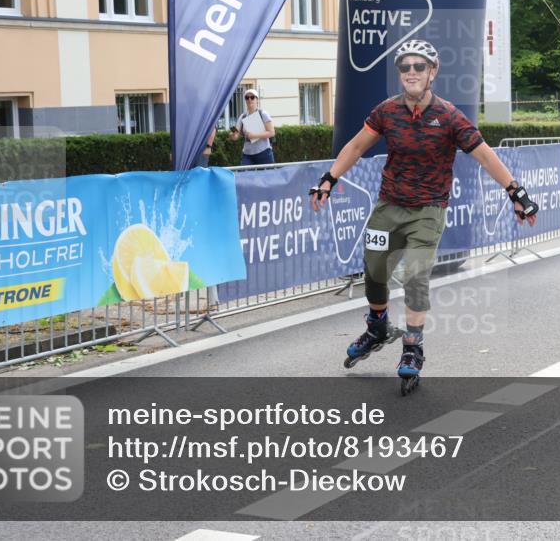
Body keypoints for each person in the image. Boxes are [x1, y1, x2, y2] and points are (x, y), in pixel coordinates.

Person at [308, 40, 539, 392]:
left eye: (419, 66)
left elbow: (485, 156)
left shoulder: (448, 116)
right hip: (389, 206)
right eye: (405, 67)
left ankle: (413, 347)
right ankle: (377, 327)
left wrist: (516, 193)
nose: (411, 73)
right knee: (373, 270)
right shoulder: (387, 111)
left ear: (433, 71)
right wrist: (328, 179)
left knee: (416, 274)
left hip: (429, 210)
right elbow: (355, 146)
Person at [230, 88, 275, 166]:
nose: (249, 99)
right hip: (247, 154)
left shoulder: (263, 114)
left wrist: (255, 135)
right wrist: (233, 135)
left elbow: (272, 132)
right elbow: (236, 135)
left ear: (257, 100)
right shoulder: (242, 116)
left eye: (252, 97)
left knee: (267, 177)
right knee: (245, 176)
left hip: (264, 153)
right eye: (247, 98)